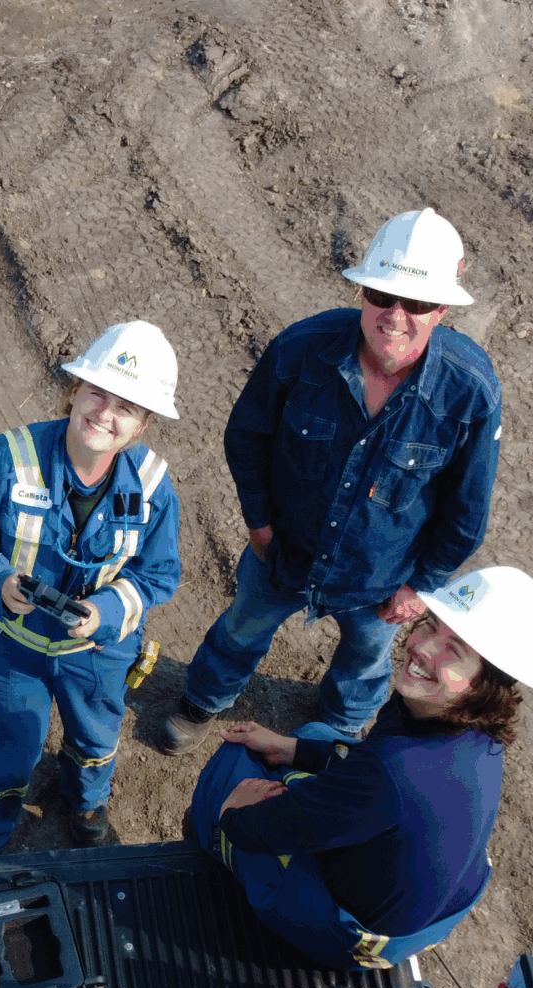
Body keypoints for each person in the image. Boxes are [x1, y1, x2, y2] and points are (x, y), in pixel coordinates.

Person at [161, 208, 503, 753]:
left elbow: (468, 511)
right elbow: (245, 437)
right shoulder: (300, 350)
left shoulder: (469, 392)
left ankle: (339, 732)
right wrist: (261, 524)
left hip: (381, 582)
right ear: (363, 292)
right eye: (381, 296)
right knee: (241, 629)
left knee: (365, 663)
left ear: (441, 309)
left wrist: (423, 584)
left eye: (415, 304)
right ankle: (204, 699)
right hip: (283, 554)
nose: (395, 316)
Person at [185, 566, 533, 968]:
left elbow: (272, 828)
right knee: (316, 734)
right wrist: (295, 750)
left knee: (232, 769)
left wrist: (234, 814)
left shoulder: (395, 771)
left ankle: (205, 847)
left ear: (483, 684)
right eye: (430, 627)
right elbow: (368, 775)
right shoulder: (477, 734)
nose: (423, 648)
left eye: (455, 649)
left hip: (346, 935)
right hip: (421, 908)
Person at [0, 320, 184, 851]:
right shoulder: (8, 458)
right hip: (10, 645)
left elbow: (158, 574)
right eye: (97, 392)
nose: (105, 413)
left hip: (97, 651)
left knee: (96, 736)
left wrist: (108, 611)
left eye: (126, 407)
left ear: (142, 425)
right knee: (0, 746)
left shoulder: (152, 487)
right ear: (74, 391)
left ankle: (87, 798)